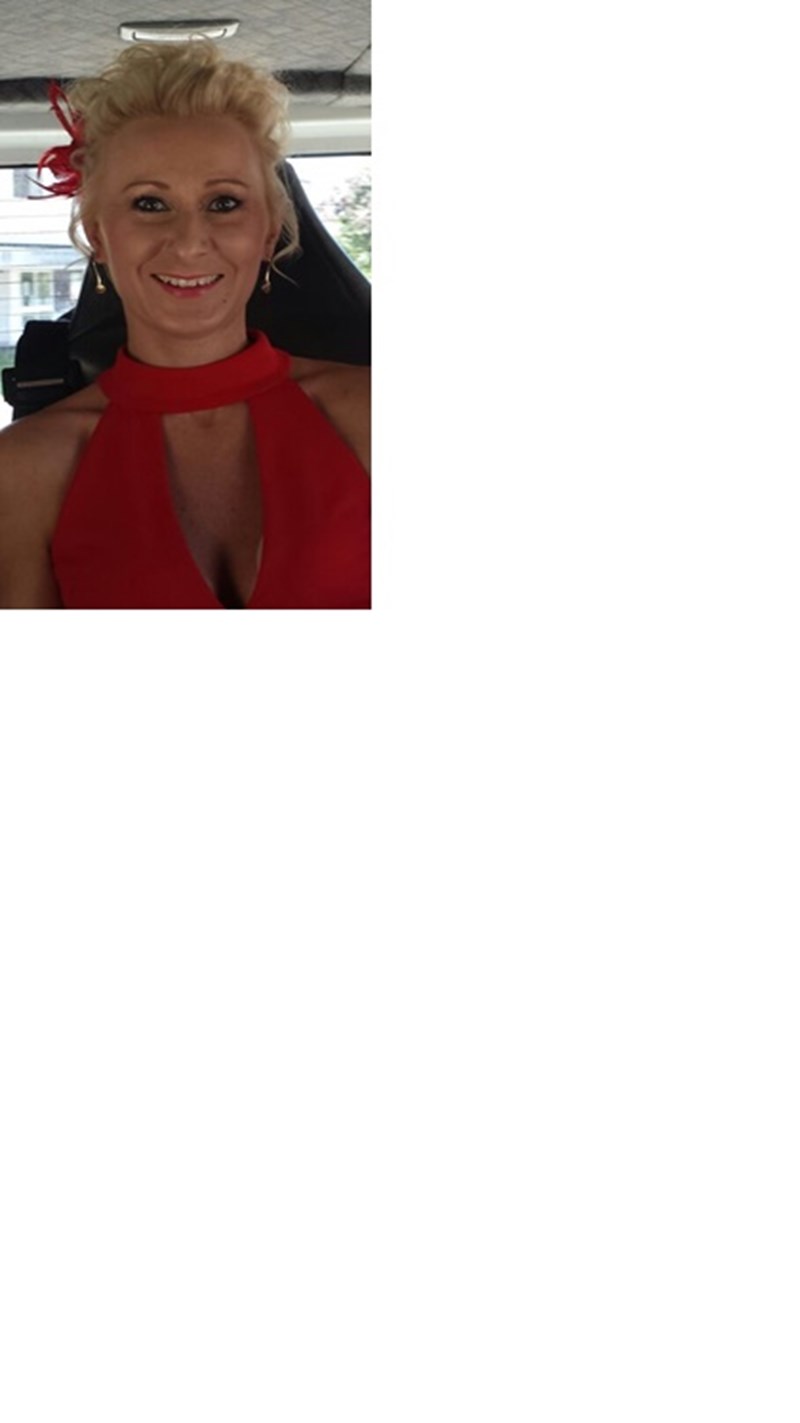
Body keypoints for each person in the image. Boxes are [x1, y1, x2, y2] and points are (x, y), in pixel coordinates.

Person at [0, 41, 370, 609]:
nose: (191, 242)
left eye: (224, 203)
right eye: (149, 204)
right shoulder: (22, 470)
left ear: (267, 231)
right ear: (99, 237)